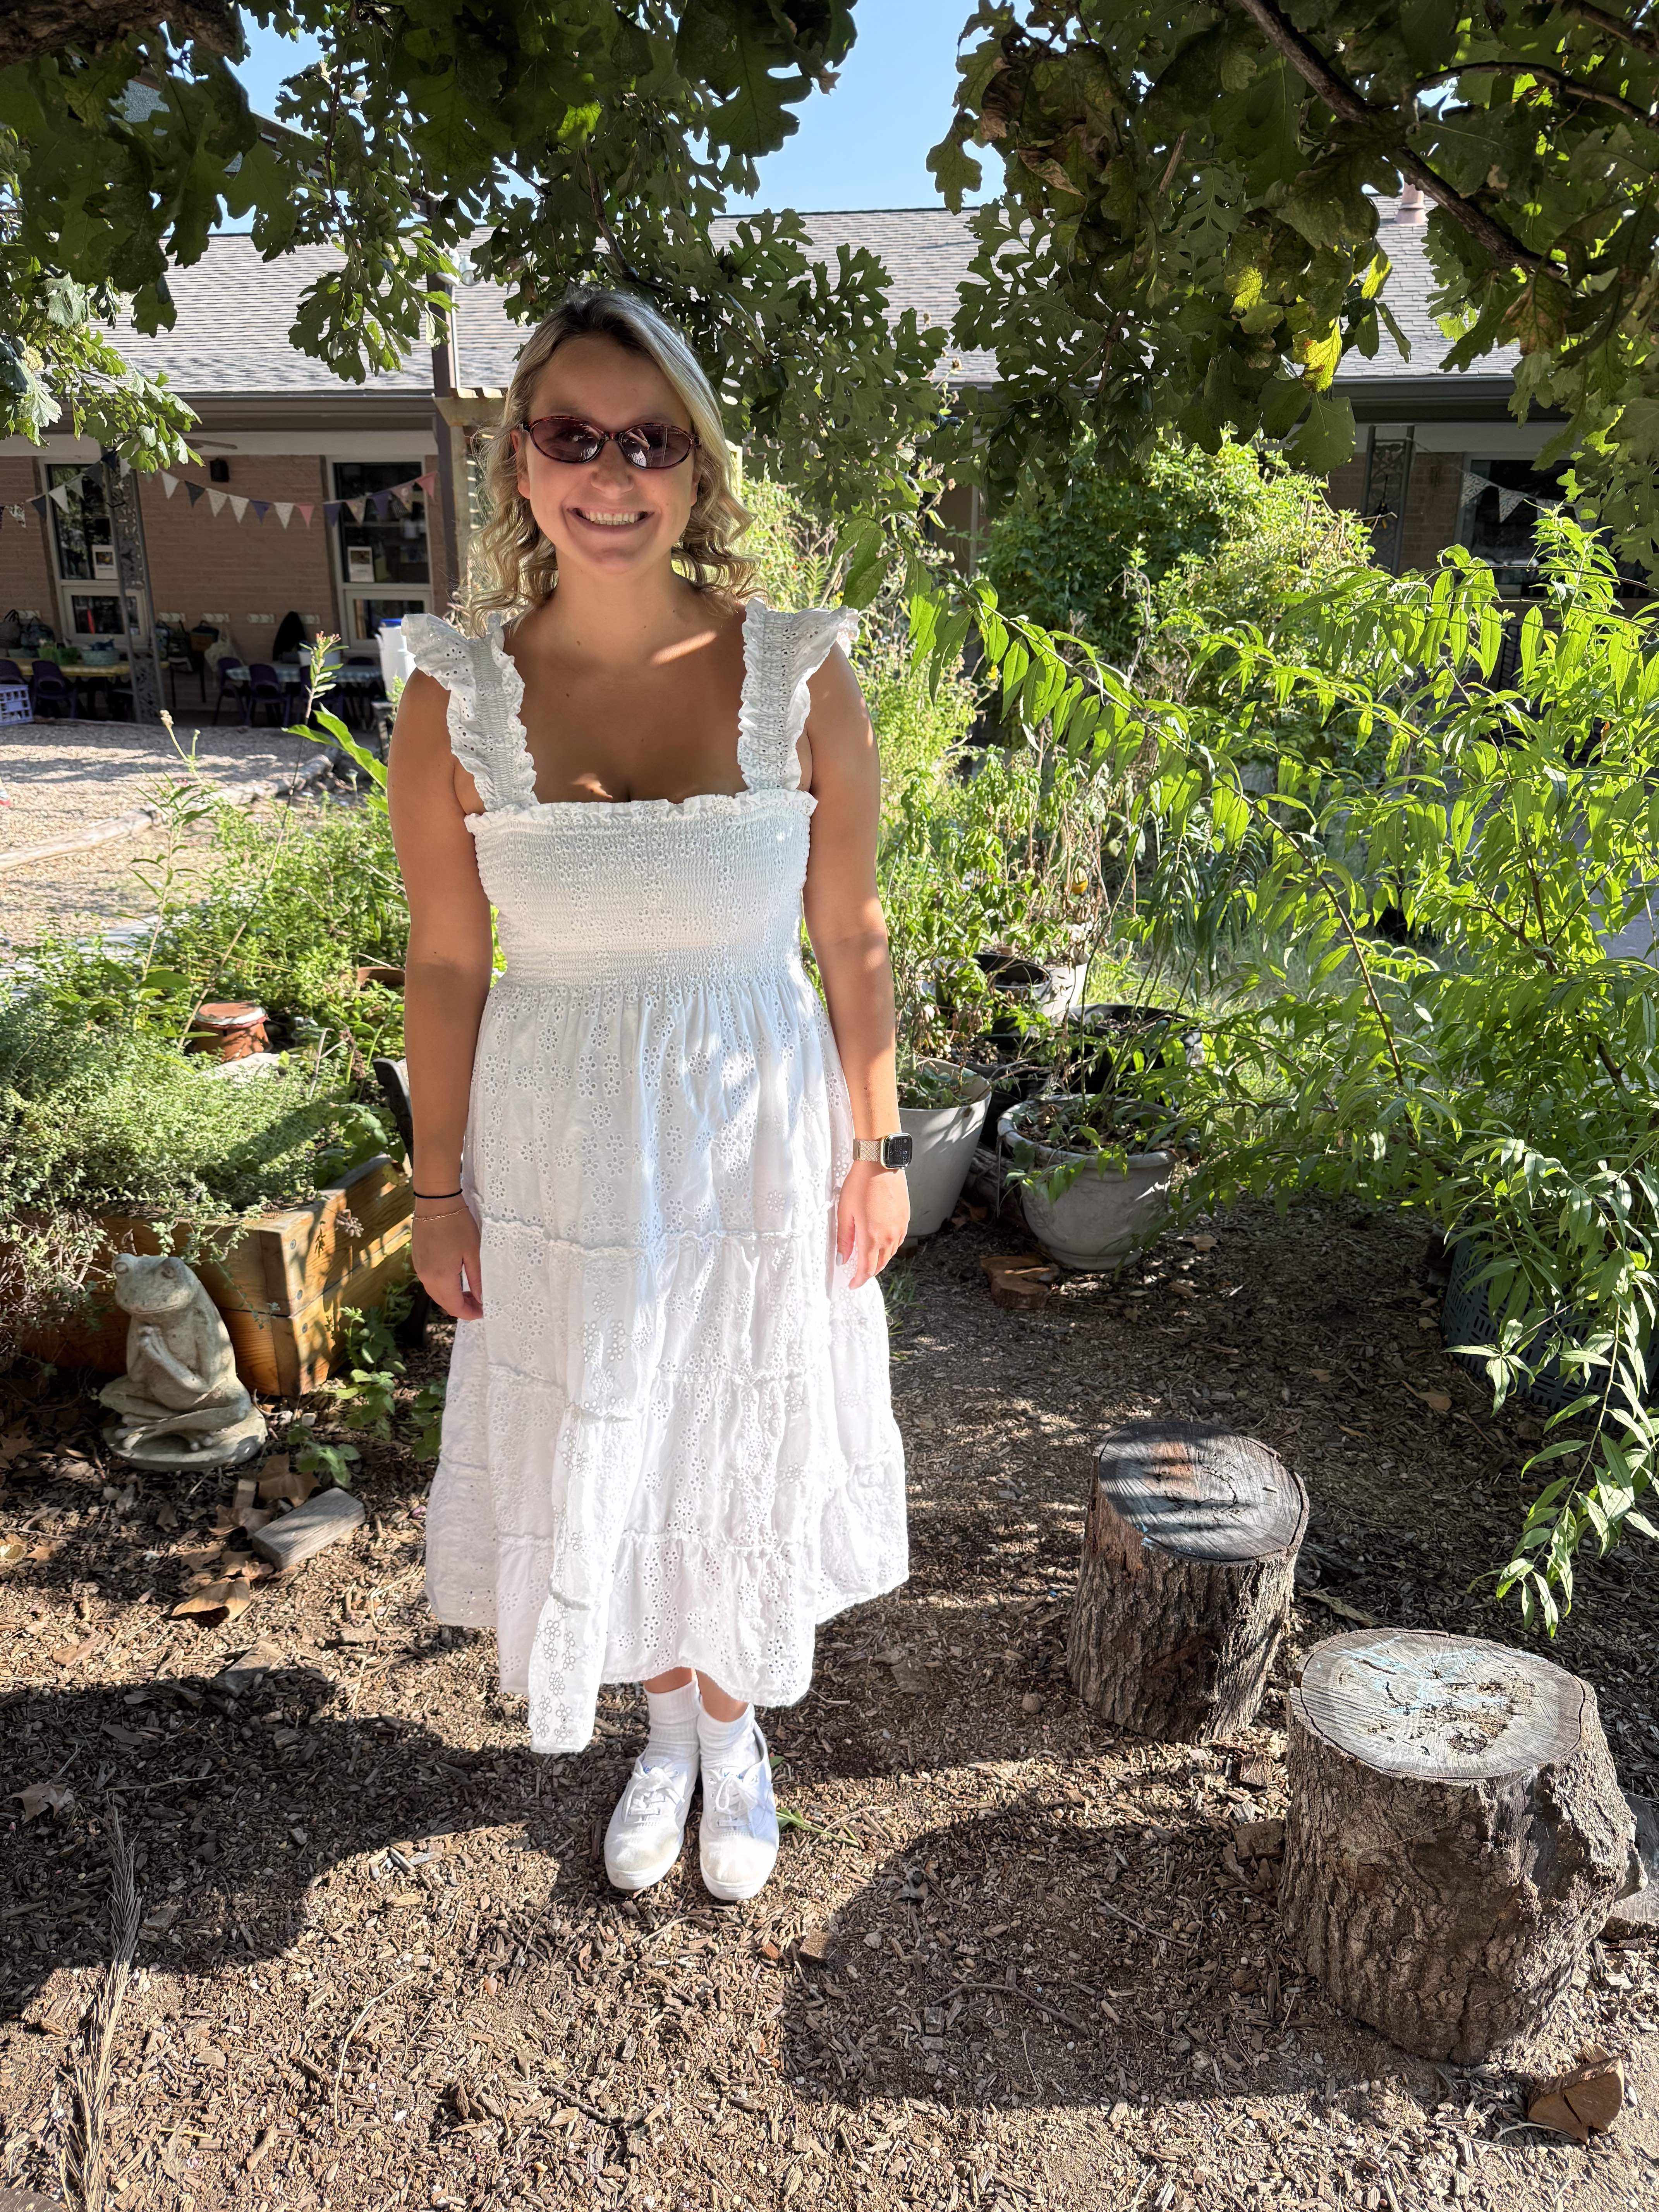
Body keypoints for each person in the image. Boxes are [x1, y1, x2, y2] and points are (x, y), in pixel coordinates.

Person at [387, 287, 910, 1905]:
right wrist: (435, 1184)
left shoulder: (797, 674)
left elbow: (853, 929)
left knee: (735, 1417)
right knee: (610, 1422)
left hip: (759, 1136)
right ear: (522, 466)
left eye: (648, 441)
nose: (609, 473)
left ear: (695, 468)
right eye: (571, 436)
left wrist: (882, 1144)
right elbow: (448, 966)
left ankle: (736, 1736)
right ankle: (667, 1729)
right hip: (561, 1151)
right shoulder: (452, 696)